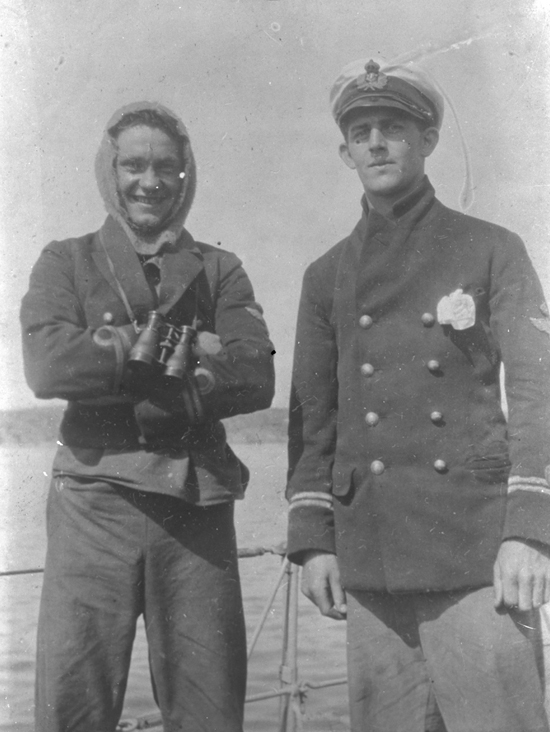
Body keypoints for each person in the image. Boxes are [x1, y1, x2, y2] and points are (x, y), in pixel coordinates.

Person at [286, 57, 550, 732]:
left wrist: (529, 533)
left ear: (428, 139)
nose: (377, 144)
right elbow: (313, 421)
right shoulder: (325, 275)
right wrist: (313, 542)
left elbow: (537, 391)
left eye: (394, 128)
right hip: (371, 563)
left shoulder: (492, 249)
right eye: (362, 132)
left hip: (477, 557)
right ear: (345, 153)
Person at [20, 101, 275, 732]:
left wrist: (122, 360)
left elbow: (256, 374)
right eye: (133, 165)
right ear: (110, 171)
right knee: (71, 706)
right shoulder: (64, 260)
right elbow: (48, 367)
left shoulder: (220, 268)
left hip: (195, 507)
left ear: (186, 175)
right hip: (91, 505)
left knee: (210, 709)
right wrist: (180, 349)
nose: (150, 182)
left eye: (166, 167)